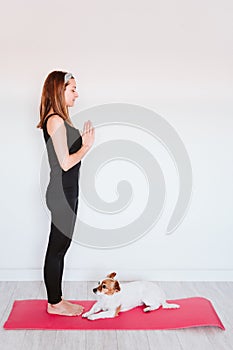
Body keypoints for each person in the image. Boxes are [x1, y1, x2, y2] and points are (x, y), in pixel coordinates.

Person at [37, 71, 94, 316]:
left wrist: (81, 144)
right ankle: (55, 303)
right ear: (59, 91)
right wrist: (86, 146)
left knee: (62, 246)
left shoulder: (60, 119)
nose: (77, 94)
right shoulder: (55, 120)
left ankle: (57, 300)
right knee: (57, 247)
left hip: (68, 191)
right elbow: (66, 163)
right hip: (61, 193)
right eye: (72, 89)